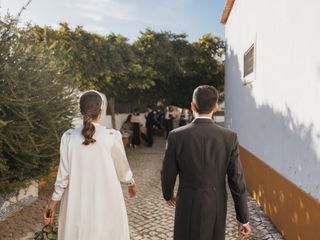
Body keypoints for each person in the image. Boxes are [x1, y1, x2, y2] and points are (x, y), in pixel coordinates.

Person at [43, 90, 137, 240]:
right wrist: (130, 183)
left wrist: (52, 205)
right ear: (102, 109)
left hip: (76, 202)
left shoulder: (68, 137)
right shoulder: (112, 136)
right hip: (108, 201)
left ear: (81, 110)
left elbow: (63, 177)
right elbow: (122, 168)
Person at [161, 85, 251, 240]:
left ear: (193, 106)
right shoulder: (229, 137)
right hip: (215, 204)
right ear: (215, 107)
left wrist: (168, 194)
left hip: (187, 202)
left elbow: (167, 171)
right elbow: (236, 179)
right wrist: (243, 218)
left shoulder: (176, 136)